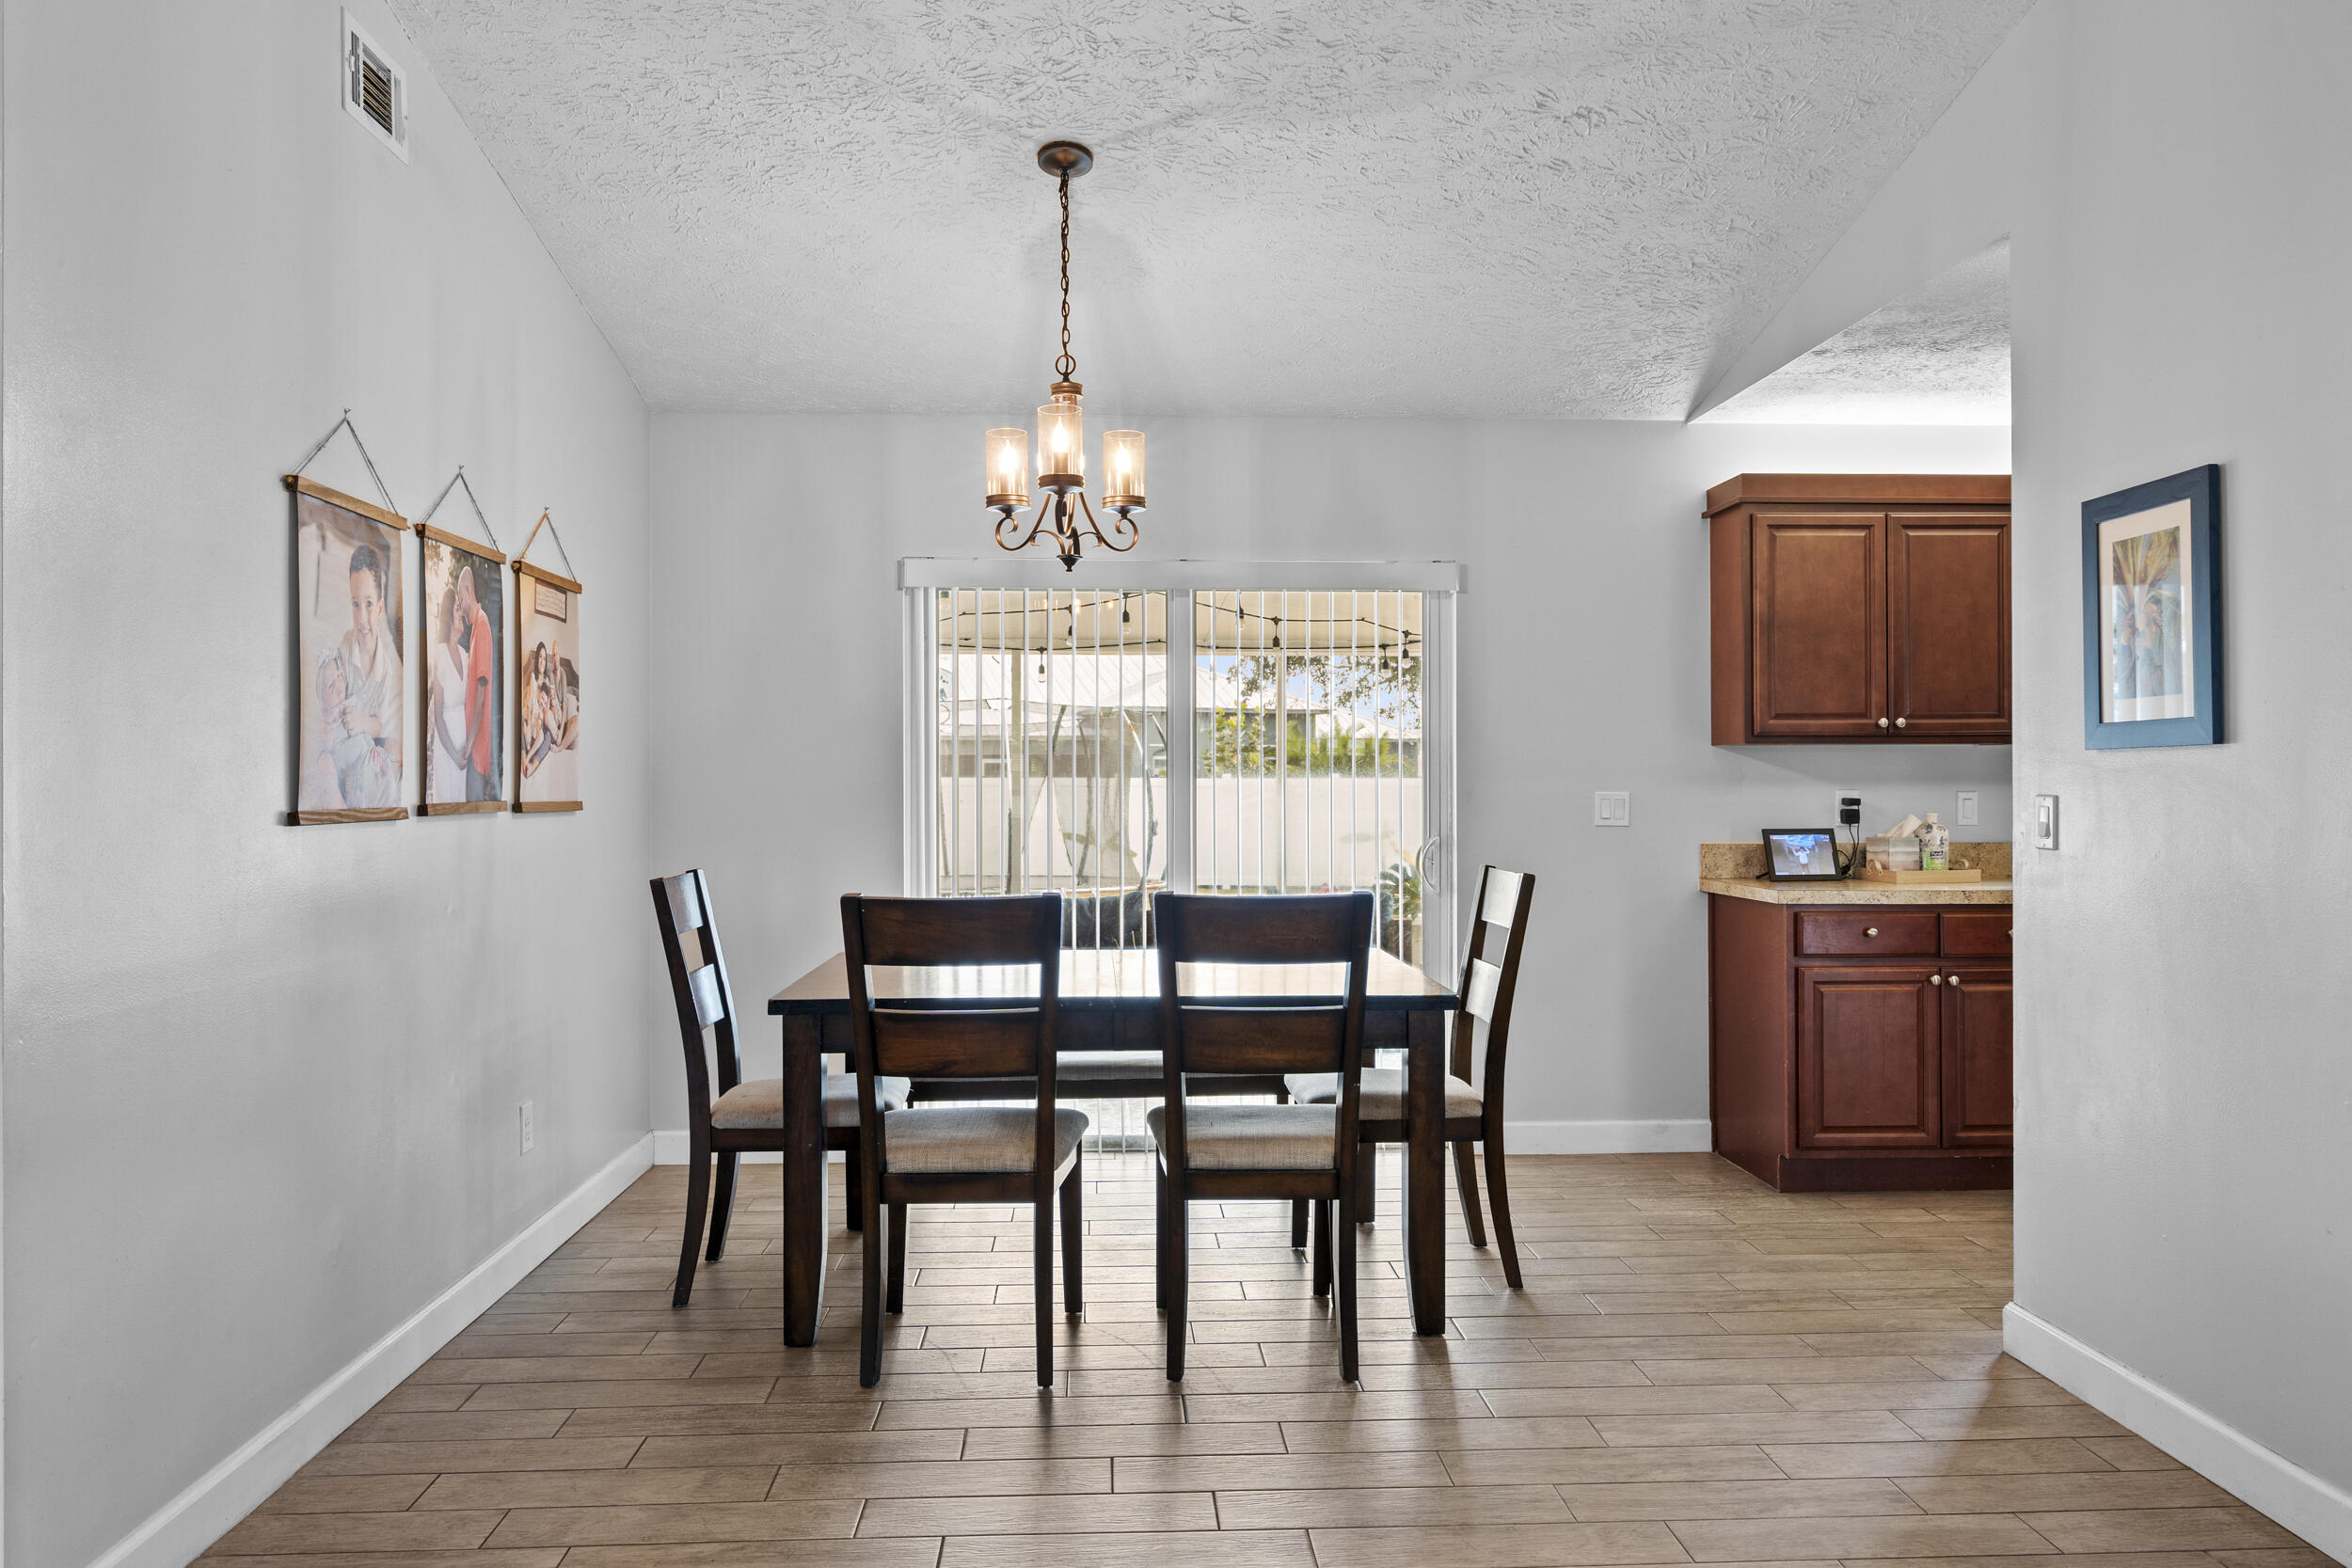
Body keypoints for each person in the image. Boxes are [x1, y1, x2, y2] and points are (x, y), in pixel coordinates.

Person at [315, 542, 402, 807]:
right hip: (342, 745)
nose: (362, 618)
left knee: (395, 750)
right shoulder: (344, 647)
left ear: (380, 608)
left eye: (368, 604)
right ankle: (342, 809)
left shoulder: (385, 669)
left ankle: (369, 795)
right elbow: (330, 693)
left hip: (365, 742)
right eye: (355, 604)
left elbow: (379, 724)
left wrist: (363, 722)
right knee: (323, 765)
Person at [454, 562, 498, 800]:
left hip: (477, 748)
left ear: (468, 590)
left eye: (460, 597)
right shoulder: (475, 628)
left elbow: (481, 695)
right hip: (473, 744)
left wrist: (470, 743)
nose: (460, 606)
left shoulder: (481, 624)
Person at [426, 583, 468, 803]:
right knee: (446, 799)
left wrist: (466, 750)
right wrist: (454, 755)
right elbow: (438, 716)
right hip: (447, 747)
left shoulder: (465, 655)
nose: (462, 614)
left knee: (461, 801)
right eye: (457, 609)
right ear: (449, 617)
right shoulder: (439, 654)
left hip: (464, 745)